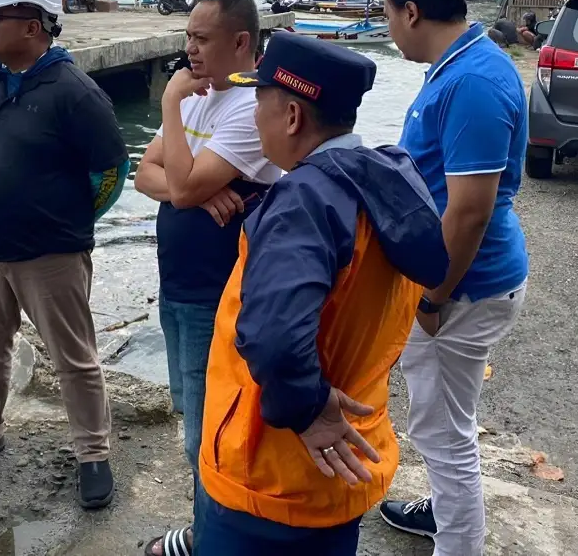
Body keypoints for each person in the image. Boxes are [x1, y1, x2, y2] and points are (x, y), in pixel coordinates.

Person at [190, 31, 449, 555]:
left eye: (258, 101)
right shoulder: (390, 183)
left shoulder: (303, 202)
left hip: (271, 475)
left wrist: (306, 409)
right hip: (344, 465)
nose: (252, 115)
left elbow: (273, 337)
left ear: (291, 116)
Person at [0, 0, 129, 510]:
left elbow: (111, 173)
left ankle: (92, 451)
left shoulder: (75, 93)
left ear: (33, 25)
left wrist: (63, 221)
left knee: (74, 358)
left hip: (52, 255)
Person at [378, 0, 530, 556]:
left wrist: (433, 296)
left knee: (443, 434)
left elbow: (469, 211)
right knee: (441, 420)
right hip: (457, 282)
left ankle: (459, 541)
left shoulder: (472, 83)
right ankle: (444, 512)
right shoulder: (458, 67)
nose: (390, 28)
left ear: (410, 12)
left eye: (389, 15)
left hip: (460, 288)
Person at [134, 0, 282, 556]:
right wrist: (188, 194)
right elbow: (143, 170)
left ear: (241, 42)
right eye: (187, 37)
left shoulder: (250, 105)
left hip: (217, 297)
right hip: (178, 287)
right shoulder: (201, 98)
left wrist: (170, 107)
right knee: (195, 419)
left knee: (208, 429)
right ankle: (215, 532)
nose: (190, 49)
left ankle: (211, 541)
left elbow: (187, 182)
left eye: (202, 38)